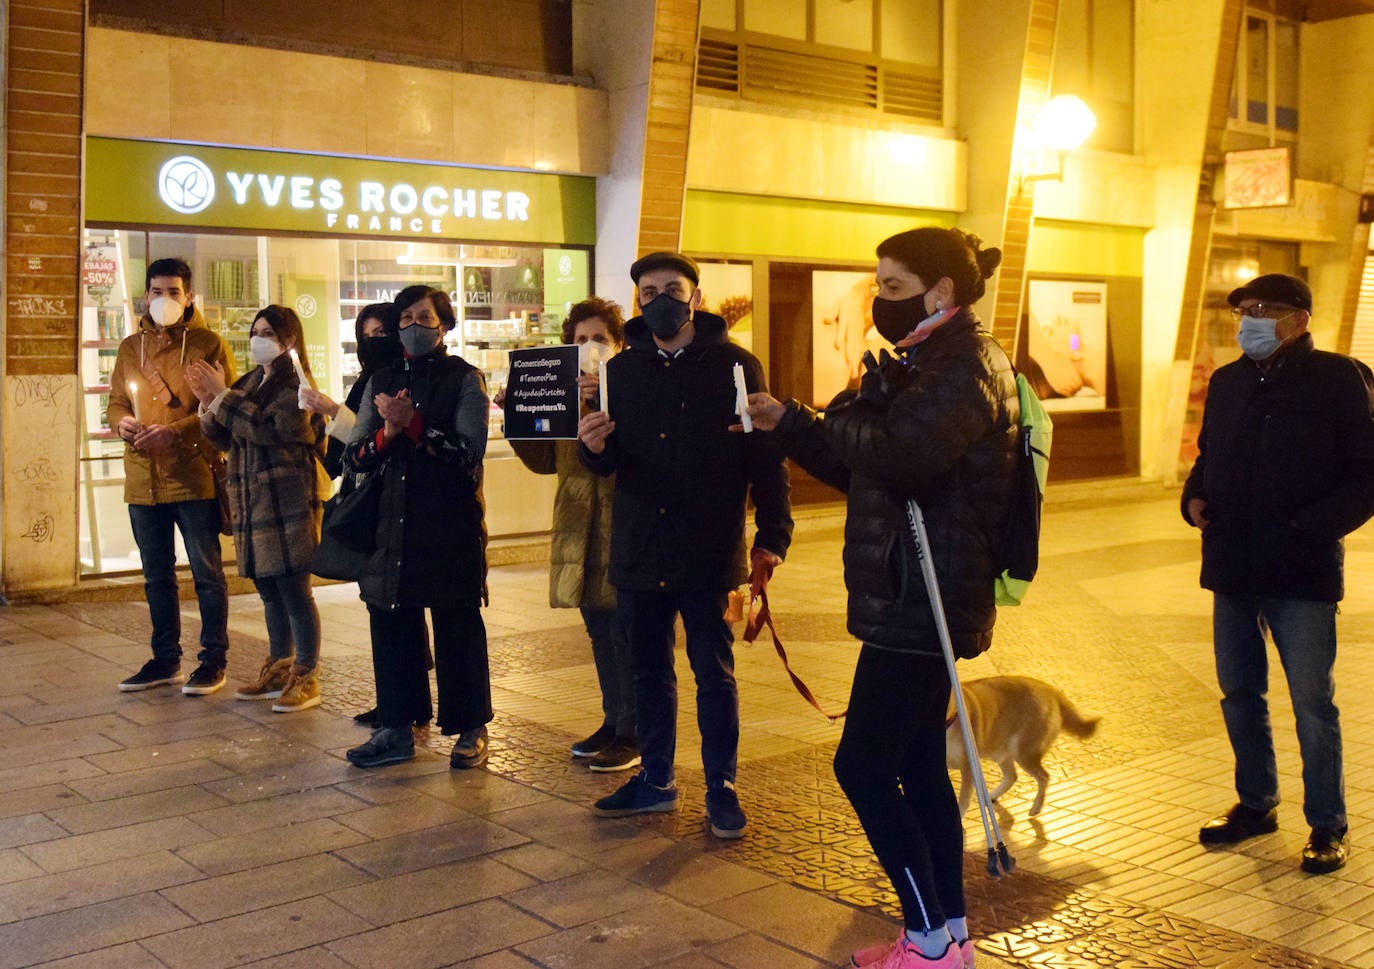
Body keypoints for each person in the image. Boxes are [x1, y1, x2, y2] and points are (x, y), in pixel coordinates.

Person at [746, 227, 1017, 969]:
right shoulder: (924, 362)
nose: (879, 299)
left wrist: (830, 415)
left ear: (941, 293)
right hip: (912, 592)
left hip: (922, 600)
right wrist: (791, 422)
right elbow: (864, 463)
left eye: (893, 287)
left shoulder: (965, 369)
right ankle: (948, 937)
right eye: (878, 285)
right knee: (922, 762)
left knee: (861, 765)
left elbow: (901, 454)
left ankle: (927, 938)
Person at [578, 251, 793, 839]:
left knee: (713, 672)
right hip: (640, 548)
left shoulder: (736, 367)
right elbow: (607, 463)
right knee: (647, 673)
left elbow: (765, 460)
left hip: (708, 546)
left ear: (696, 297)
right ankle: (656, 779)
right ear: (637, 304)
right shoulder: (619, 374)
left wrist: (772, 536)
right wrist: (593, 447)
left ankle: (722, 788)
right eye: (648, 293)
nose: (661, 300)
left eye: (673, 288)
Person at [1183, 273, 1374, 875]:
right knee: (1240, 693)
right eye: (1243, 309)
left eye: (1263, 309)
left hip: (1301, 569)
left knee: (1312, 702)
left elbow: (1367, 473)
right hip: (1233, 563)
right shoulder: (1229, 380)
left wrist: (1312, 527)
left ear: (1300, 318)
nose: (1249, 320)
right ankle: (1257, 803)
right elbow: (1207, 454)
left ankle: (1328, 823)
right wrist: (1193, 498)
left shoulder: (1340, 378)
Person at [343, 286, 493, 770]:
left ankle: (470, 727)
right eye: (404, 316)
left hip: (448, 524)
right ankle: (396, 726)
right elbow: (355, 455)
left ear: (444, 325)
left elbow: (468, 456)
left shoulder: (465, 379)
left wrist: (416, 427)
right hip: (390, 523)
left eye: (424, 317)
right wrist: (387, 434)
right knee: (391, 623)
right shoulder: (380, 379)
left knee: (457, 626)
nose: (412, 325)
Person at [502, 297, 638, 772]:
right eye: (580, 340)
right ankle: (613, 719)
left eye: (599, 338)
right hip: (579, 532)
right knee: (599, 631)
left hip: (624, 532)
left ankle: (634, 731)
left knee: (628, 633)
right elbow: (544, 463)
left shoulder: (634, 391)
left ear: (619, 344)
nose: (589, 347)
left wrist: (609, 398)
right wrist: (517, 421)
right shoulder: (563, 398)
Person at [187, 305, 330, 712]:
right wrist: (207, 403)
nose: (258, 338)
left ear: (289, 340)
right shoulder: (250, 381)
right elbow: (225, 434)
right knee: (268, 589)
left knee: (294, 590)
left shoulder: (296, 384)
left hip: (287, 502)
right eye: (255, 331)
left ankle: (306, 673)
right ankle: (279, 667)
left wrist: (223, 397)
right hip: (252, 503)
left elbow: (272, 429)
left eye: (268, 331)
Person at [298, 303, 433, 728]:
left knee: (399, 605)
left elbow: (368, 430)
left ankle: (407, 703)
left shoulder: (402, 379)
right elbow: (354, 445)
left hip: (397, 504)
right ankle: (396, 700)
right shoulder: (371, 379)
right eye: (366, 333)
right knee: (381, 605)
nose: (373, 340)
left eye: (382, 332)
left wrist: (332, 410)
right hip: (370, 502)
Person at [107, 257, 237, 695]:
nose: (165, 300)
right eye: (157, 291)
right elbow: (115, 402)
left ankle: (212, 659)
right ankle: (165, 659)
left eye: (174, 292)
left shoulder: (209, 344)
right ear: (146, 295)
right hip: (142, 480)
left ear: (189, 297)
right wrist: (121, 423)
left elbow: (222, 407)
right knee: (155, 574)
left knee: (207, 572)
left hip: (193, 476)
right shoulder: (130, 348)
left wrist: (175, 432)